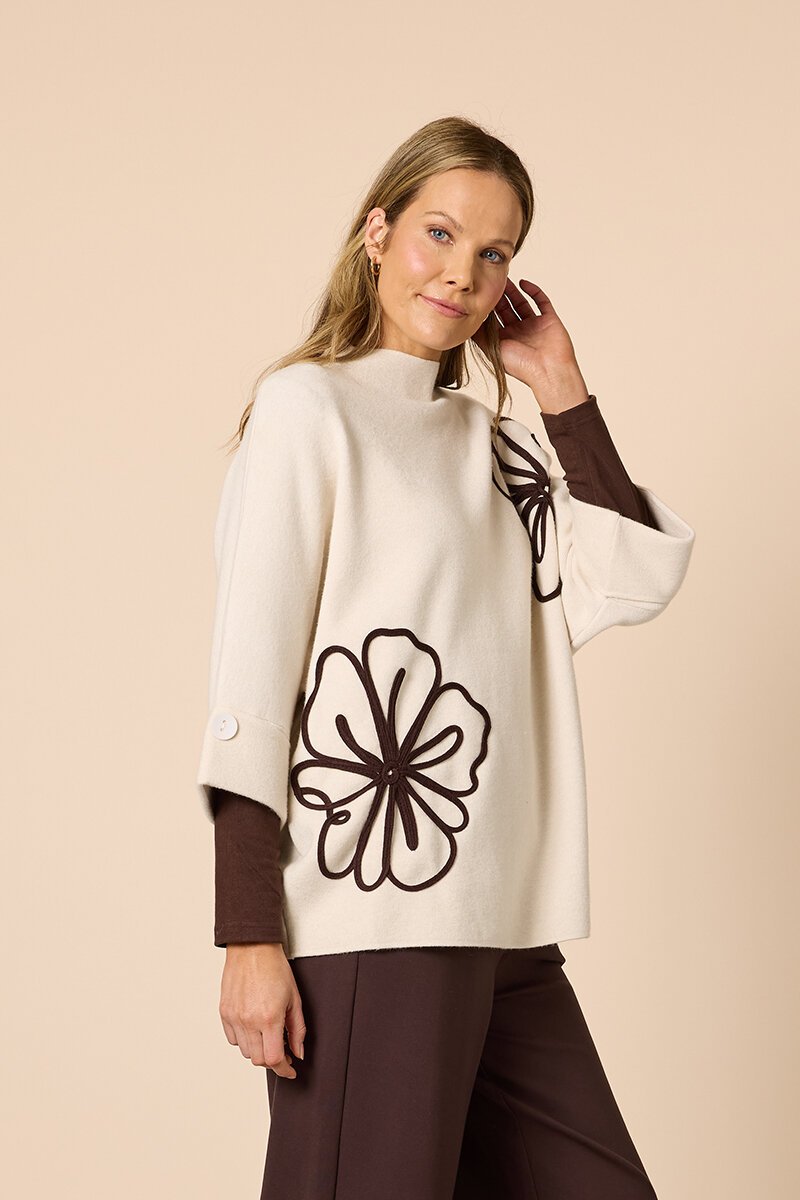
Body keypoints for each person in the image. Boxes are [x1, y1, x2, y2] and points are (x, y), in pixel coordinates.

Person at [196, 115, 695, 1199]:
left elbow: (628, 577)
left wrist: (561, 390)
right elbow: (252, 681)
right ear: (376, 232)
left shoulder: (494, 443)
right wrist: (248, 935)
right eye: (438, 232)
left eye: (494, 251)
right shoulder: (307, 409)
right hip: (375, 915)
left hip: (502, 916)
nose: (462, 272)